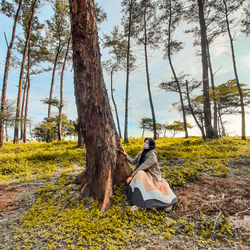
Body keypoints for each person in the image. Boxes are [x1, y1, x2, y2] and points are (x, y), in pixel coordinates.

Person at [119, 138, 178, 212]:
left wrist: (131, 176)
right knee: (140, 175)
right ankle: (137, 200)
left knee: (140, 175)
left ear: (151, 145)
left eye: (147, 143)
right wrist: (125, 154)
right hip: (144, 173)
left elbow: (143, 167)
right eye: (145, 142)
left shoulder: (152, 156)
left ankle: (158, 204)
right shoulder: (141, 153)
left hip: (153, 176)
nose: (145, 144)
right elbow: (133, 161)